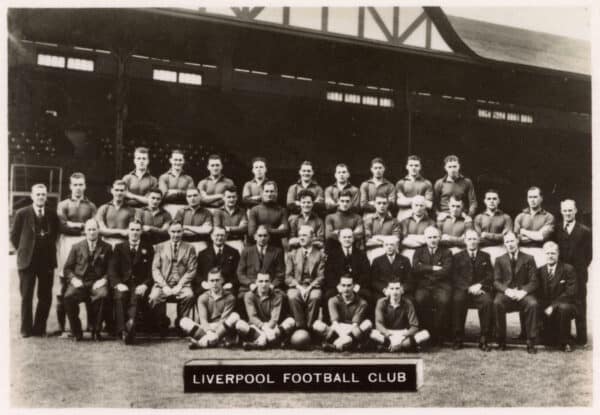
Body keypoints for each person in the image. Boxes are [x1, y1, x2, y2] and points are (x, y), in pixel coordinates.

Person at [10, 183, 60, 337]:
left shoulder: (52, 214)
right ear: (32, 196)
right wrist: (25, 250)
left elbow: (55, 235)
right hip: (27, 261)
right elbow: (14, 236)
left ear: (46, 197)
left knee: (45, 296)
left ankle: (39, 329)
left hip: (46, 261)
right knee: (26, 296)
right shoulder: (21, 213)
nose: (40, 197)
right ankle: (26, 330)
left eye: (43, 195)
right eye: (37, 194)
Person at [55, 173, 97, 336]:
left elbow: (93, 225)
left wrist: (76, 225)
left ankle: (92, 325)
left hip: (85, 245)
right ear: (70, 186)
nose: (78, 188)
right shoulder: (63, 204)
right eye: (75, 185)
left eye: (81, 184)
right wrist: (82, 226)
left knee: (87, 279)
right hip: (66, 244)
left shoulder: (91, 206)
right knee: (64, 284)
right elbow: (63, 226)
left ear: (85, 186)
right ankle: (62, 326)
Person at [63, 219, 112, 341]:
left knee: (103, 295)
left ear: (98, 230)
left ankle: (96, 330)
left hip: (97, 282)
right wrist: (74, 279)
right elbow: (67, 268)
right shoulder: (76, 247)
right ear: (85, 231)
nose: (91, 232)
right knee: (69, 296)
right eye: (89, 229)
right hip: (80, 282)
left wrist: (104, 280)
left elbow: (111, 269)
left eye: (94, 229)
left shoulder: (107, 247)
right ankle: (77, 331)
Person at [493, 231, 540, 354]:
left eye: (512, 241)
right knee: (497, 303)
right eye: (507, 241)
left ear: (517, 241)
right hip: (506, 293)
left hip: (523, 293)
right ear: (504, 243)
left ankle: (531, 341)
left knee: (533, 304)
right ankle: (501, 341)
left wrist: (523, 291)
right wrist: (507, 290)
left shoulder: (529, 258)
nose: (510, 244)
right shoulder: (499, 259)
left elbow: (534, 281)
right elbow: (496, 281)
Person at [108, 220, 154, 344]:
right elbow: (112, 270)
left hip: (140, 284)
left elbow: (152, 272)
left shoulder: (148, 248)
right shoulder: (119, 247)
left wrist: (145, 285)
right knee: (120, 296)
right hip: (123, 283)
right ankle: (123, 330)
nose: (134, 233)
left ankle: (131, 325)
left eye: (137, 230)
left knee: (136, 297)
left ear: (141, 231)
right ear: (128, 231)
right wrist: (118, 284)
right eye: (132, 229)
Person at [149, 221, 197, 334]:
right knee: (154, 296)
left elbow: (192, 269)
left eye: (179, 231)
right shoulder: (160, 247)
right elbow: (155, 269)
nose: (176, 235)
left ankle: (181, 324)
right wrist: (164, 285)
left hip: (182, 283)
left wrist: (180, 285)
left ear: (183, 232)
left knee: (189, 295)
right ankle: (162, 323)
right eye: (173, 232)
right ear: (168, 232)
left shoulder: (190, 247)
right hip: (163, 282)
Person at [555, 199, 592, 345]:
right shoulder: (557, 229)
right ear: (561, 211)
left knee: (580, 303)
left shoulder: (585, 231)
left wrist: (580, 267)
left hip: (579, 274)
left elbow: (590, 254)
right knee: (563, 302)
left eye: (570, 210)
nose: (567, 213)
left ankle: (581, 338)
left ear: (575, 211)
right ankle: (563, 335)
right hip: (562, 273)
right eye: (565, 210)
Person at [450, 230, 494, 351]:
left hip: (480, 290)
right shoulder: (457, 256)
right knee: (457, 300)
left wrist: (480, 285)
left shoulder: (486, 256)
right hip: (463, 289)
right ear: (465, 241)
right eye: (469, 239)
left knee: (487, 302)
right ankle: (458, 338)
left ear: (478, 240)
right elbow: (454, 276)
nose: (472, 242)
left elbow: (490, 276)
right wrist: (468, 288)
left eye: (474, 239)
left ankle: (484, 338)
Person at [412, 226, 453, 346]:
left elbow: (447, 270)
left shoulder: (447, 252)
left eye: (435, 237)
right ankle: (425, 333)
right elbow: (415, 268)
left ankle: (438, 335)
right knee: (420, 300)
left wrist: (425, 270)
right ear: (425, 238)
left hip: (441, 285)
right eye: (429, 237)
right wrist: (433, 268)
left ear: (439, 238)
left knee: (444, 301)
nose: (432, 240)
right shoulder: (419, 251)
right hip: (423, 285)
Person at [181, 268, 239, 349]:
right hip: (208, 328)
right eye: (212, 280)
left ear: (222, 281)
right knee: (184, 321)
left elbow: (223, 320)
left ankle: (202, 343)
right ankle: (214, 341)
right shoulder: (202, 298)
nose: (214, 283)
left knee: (235, 316)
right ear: (208, 282)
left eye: (217, 280)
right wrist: (209, 332)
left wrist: (213, 330)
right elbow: (203, 320)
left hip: (223, 328)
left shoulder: (230, 297)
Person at [312, 274, 373, 352]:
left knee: (367, 324)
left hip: (352, 330)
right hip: (338, 330)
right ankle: (348, 345)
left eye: (349, 285)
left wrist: (346, 336)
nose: (346, 289)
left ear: (354, 286)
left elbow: (355, 325)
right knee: (317, 325)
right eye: (343, 285)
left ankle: (335, 346)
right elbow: (335, 323)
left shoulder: (362, 302)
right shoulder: (333, 300)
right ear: (339, 287)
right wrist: (344, 337)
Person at [237, 272, 296, 349]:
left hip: (272, 327)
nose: (264, 284)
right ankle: (269, 341)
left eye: (266, 281)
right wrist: (265, 329)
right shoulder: (249, 295)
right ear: (256, 283)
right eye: (261, 281)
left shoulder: (277, 296)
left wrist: (268, 329)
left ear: (270, 283)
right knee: (239, 324)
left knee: (291, 321)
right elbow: (252, 317)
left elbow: (274, 319)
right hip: (257, 327)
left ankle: (261, 341)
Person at [538, 241, 578, 352]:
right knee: (548, 341)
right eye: (547, 253)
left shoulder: (568, 269)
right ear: (544, 254)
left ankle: (565, 342)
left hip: (565, 305)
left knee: (564, 308)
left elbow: (571, 292)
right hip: (546, 308)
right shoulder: (540, 271)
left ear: (558, 254)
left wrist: (553, 306)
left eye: (553, 253)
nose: (550, 256)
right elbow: (537, 292)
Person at [369, 280, 430, 352]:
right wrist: (388, 334)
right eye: (392, 289)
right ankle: (403, 347)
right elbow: (379, 324)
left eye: (397, 288)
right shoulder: (381, 302)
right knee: (372, 333)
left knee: (425, 334)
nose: (395, 292)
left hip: (403, 334)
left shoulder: (408, 303)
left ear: (402, 291)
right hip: (388, 334)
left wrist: (405, 335)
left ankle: (394, 347)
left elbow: (414, 326)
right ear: (387, 291)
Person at [285, 226, 326, 330]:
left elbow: (321, 276)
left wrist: (309, 288)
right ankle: (300, 327)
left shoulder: (320, 255)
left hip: (313, 287)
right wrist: (300, 287)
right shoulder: (292, 254)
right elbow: (288, 276)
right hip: (297, 286)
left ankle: (310, 327)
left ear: (312, 237)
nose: (301, 238)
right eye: (300, 236)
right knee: (292, 296)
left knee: (315, 297)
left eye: (304, 235)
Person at [237, 225, 285, 300]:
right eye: (260, 236)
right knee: (241, 297)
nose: (262, 238)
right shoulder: (247, 251)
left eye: (265, 236)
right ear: (255, 237)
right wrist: (250, 284)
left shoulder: (277, 252)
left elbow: (280, 274)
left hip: (269, 286)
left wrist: (272, 285)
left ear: (269, 237)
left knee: (282, 296)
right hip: (251, 286)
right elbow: (240, 272)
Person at [323, 228, 370, 301]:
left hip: (356, 285)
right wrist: (338, 285)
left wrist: (357, 285)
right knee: (328, 295)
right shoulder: (332, 254)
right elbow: (328, 273)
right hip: (338, 286)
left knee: (367, 295)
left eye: (349, 237)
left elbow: (366, 273)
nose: (347, 239)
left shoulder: (361, 254)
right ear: (339, 239)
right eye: (344, 237)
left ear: (353, 239)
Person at [195, 226, 240, 295]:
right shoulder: (203, 254)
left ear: (226, 237)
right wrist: (203, 283)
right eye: (217, 235)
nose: (219, 238)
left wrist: (231, 283)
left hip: (226, 286)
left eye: (222, 235)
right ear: (211, 236)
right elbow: (198, 273)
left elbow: (238, 273)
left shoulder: (234, 252)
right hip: (208, 286)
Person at [247, 181, 289, 248]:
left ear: (276, 193)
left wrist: (262, 229)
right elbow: (251, 233)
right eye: (266, 191)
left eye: (272, 191)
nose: (269, 194)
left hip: (276, 247)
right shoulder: (255, 210)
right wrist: (276, 230)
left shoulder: (282, 210)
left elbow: (285, 231)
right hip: (257, 247)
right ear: (262, 193)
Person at [370, 236, 413, 302]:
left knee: (410, 300)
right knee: (377, 300)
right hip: (384, 291)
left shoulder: (405, 260)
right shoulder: (377, 261)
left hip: (400, 290)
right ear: (383, 246)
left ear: (396, 246)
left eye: (392, 244)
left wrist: (402, 289)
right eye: (386, 245)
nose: (389, 247)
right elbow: (373, 280)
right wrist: (384, 289)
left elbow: (410, 279)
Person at [433, 155, 477, 219]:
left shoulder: (467, 182)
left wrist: (469, 215)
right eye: (449, 167)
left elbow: (473, 202)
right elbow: (434, 204)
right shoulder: (439, 183)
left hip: (461, 217)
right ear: (445, 168)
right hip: (444, 218)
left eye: (454, 166)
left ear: (459, 166)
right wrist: (439, 214)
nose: (452, 169)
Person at [96, 179, 137, 247]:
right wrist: (121, 231)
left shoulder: (131, 210)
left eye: (121, 190)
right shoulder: (103, 208)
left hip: (123, 244)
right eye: (116, 190)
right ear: (112, 191)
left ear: (126, 192)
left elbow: (129, 232)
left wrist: (109, 231)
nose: (119, 193)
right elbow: (102, 230)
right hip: (105, 243)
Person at [514, 186, 555, 251]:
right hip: (522, 251)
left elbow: (541, 237)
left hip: (540, 251)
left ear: (541, 198)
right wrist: (536, 235)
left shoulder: (548, 217)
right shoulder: (520, 216)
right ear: (527, 199)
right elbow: (517, 238)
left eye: (535, 197)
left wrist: (523, 231)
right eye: (530, 197)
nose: (532, 200)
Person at [174, 188, 213, 254]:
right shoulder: (181, 211)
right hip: (183, 243)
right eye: (189, 196)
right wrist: (199, 229)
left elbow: (206, 230)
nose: (192, 198)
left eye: (195, 195)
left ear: (200, 197)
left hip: (200, 243)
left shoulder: (207, 212)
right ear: (186, 198)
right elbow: (176, 230)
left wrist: (186, 227)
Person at [364, 194, 401, 262]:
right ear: (374, 204)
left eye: (384, 203)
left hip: (390, 252)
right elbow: (367, 242)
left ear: (387, 205)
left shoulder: (394, 221)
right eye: (379, 203)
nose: (382, 205)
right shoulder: (368, 221)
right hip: (373, 252)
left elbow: (396, 240)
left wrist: (376, 238)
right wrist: (387, 240)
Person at [395, 155, 433, 222]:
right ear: (407, 167)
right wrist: (419, 199)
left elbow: (429, 204)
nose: (413, 168)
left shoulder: (427, 183)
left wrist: (407, 200)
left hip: (421, 216)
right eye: (411, 165)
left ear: (420, 167)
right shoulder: (400, 183)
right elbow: (399, 202)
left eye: (416, 165)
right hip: (404, 215)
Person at [158, 149, 195, 216]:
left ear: (183, 161)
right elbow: (163, 196)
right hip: (166, 209)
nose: (177, 162)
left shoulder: (189, 179)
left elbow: (191, 196)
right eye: (175, 160)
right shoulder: (163, 177)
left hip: (184, 210)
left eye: (180, 160)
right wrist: (183, 193)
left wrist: (173, 192)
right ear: (170, 160)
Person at [213, 185, 247, 253]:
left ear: (237, 198)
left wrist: (228, 229)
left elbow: (244, 228)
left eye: (233, 197)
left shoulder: (242, 211)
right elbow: (218, 228)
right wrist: (237, 228)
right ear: (223, 198)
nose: (231, 199)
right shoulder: (218, 212)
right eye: (229, 197)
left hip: (238, 242)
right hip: (223, 242)